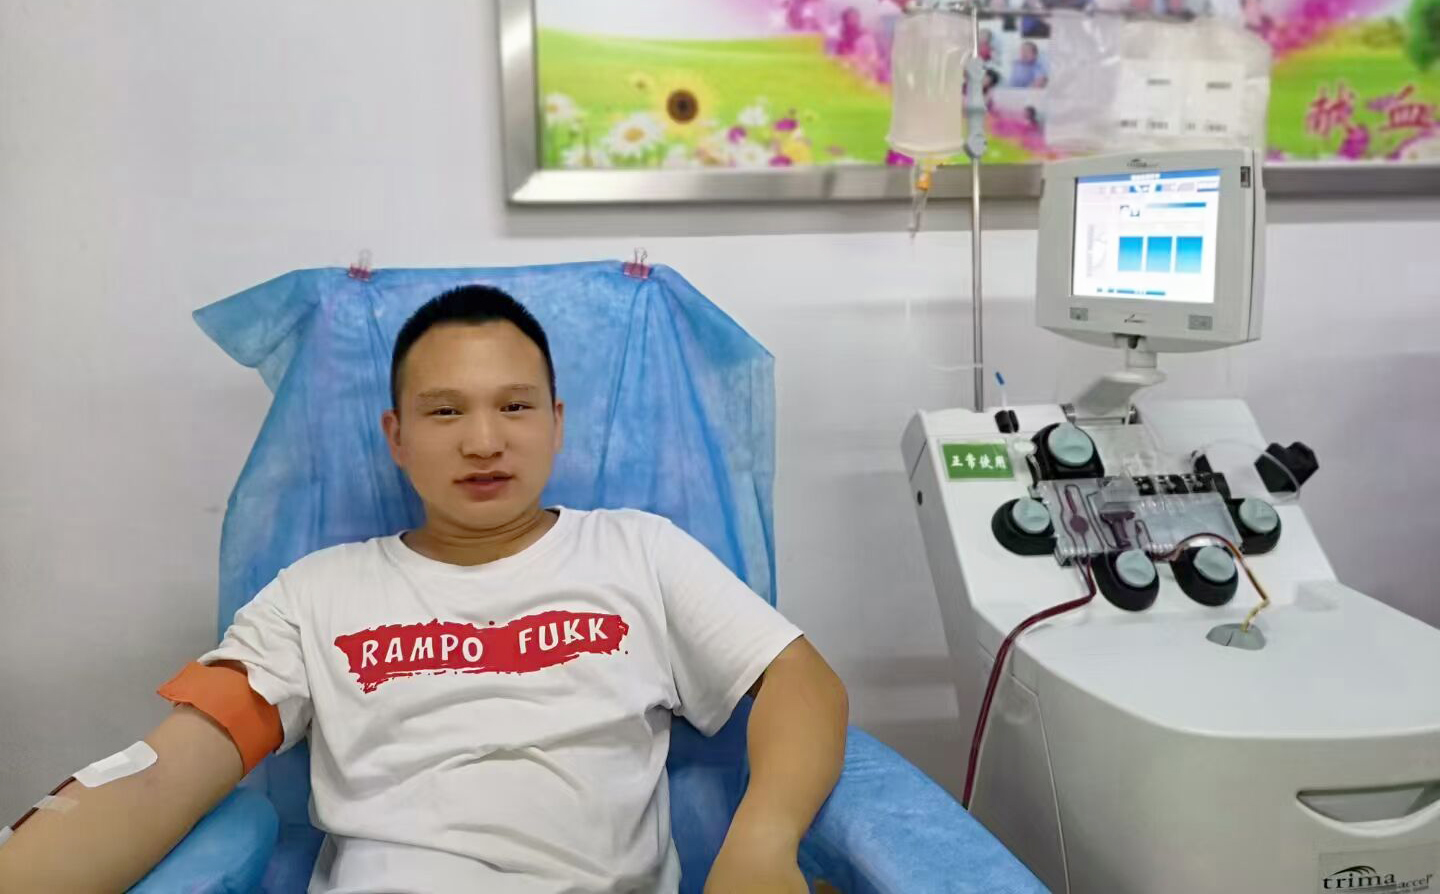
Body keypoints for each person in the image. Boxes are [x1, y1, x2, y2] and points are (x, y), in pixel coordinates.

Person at [0, 286, 849, 894]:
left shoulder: (639, 553)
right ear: (396, 436)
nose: (483, 441)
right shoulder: (314, 597)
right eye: (445, 412)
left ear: (557, 423)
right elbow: (160, 776)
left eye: (515, 407)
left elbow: (799, 680)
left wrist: (764, 841)